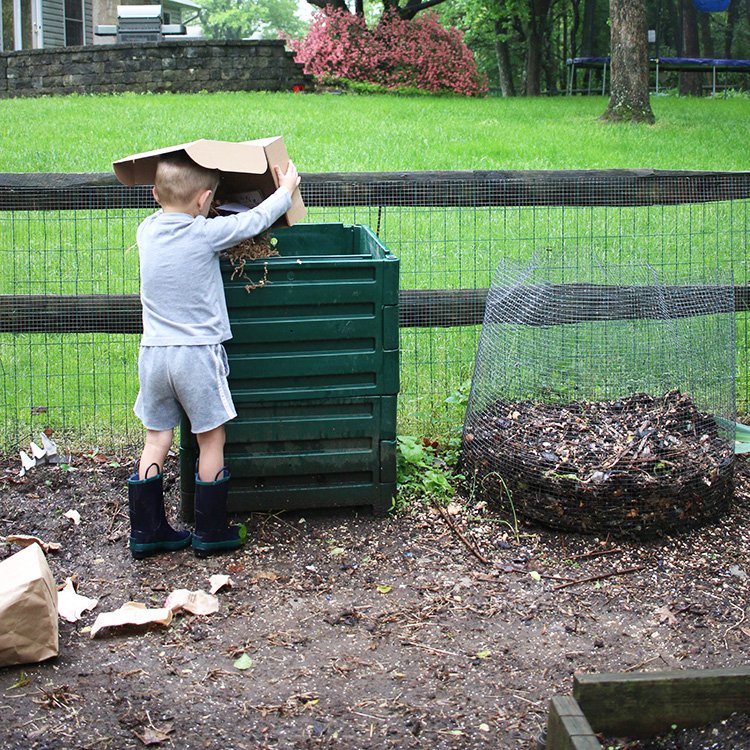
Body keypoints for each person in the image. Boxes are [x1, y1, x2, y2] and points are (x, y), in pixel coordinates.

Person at [127, 151, 300, 559]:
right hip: (196, 356)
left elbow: (179, 211)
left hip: (153, 354)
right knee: (211, 438)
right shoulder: (205, 233)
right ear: (205, 202)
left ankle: (147, 532)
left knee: (157, 439)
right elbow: (252, 222)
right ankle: (210, 531)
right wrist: (286, 191)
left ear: (154, 194)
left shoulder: (146, 231)